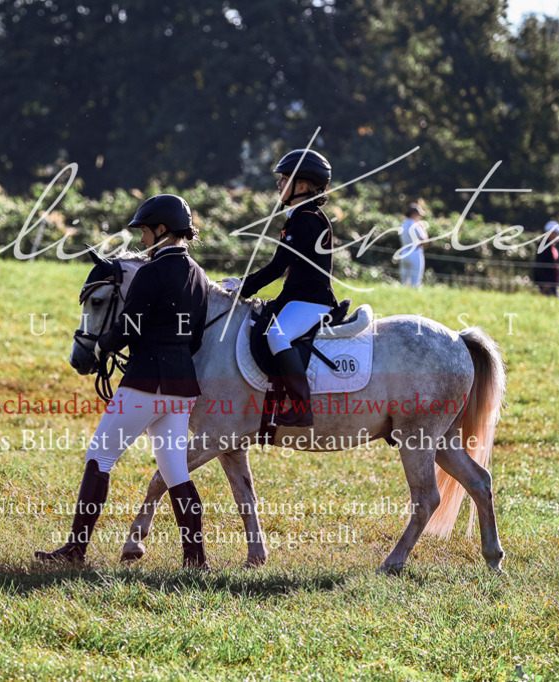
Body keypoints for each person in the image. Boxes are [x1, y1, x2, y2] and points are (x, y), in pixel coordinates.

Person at [35, 194, 211, 569]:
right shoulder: (199, 275)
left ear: (162, 230)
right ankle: (195, 561)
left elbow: (128, 325)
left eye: (146, 232)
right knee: (175, 470)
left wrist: (103, 347)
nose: (143, 239)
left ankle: (75, 550)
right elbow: (195, 337)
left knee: (99, 457)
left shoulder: (150, 272)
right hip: (181, 387)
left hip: (146, 382)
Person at [222, 149, 337, 428]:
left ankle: (301, 407)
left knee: (277, 335)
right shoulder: (301, 215)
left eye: (284, 178)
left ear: (301, 185)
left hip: (312, 300)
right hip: (298, 297)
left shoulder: (306, 218)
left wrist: (244, 287)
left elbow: (279, 265)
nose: (278, 183)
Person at [398, 203, 428, 287]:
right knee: (415, 282)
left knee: (404, 282)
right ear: (414, 214)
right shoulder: (415, 225)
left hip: (404, 253)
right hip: (415, 253)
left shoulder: (403, 224)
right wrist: (422, 227)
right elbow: (425, 239)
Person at [533, 221, 559, 296]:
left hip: (552, 282)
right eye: (555, 233)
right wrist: (545, 283)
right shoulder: (543, 246)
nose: (557, 235)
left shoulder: (551, 246)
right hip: (547, 284)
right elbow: (540, 265)